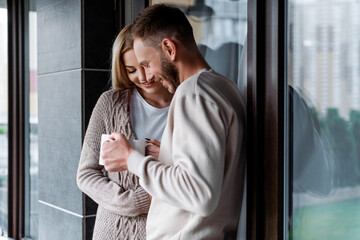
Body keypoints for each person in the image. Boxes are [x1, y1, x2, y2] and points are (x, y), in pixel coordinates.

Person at [102, 4, 247, 240]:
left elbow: (199, 194)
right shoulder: (223, 86)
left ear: (169, 48)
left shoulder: (193, 93)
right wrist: (169, 156)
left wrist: (131, 159)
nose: (148, 76)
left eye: (147, 64)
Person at [76, 24, 173, 240]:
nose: (143, 77)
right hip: (113, 232)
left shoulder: (186, 104)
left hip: (169, 230)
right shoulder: (111, 104)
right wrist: (134, 201)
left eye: (146, 66)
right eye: (131, 70)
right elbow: (86, 174)